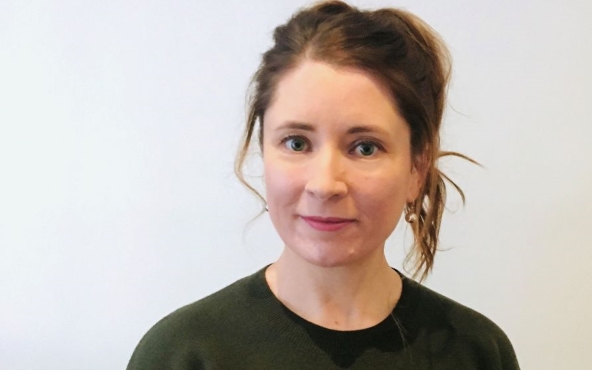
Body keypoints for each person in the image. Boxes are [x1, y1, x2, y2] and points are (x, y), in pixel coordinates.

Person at [127, 1, 520, 369]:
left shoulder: (476, 352)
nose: (325, 184)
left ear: (417, 168)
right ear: (263, 153)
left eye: (365, 147)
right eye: (296, 143)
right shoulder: (182, 354)